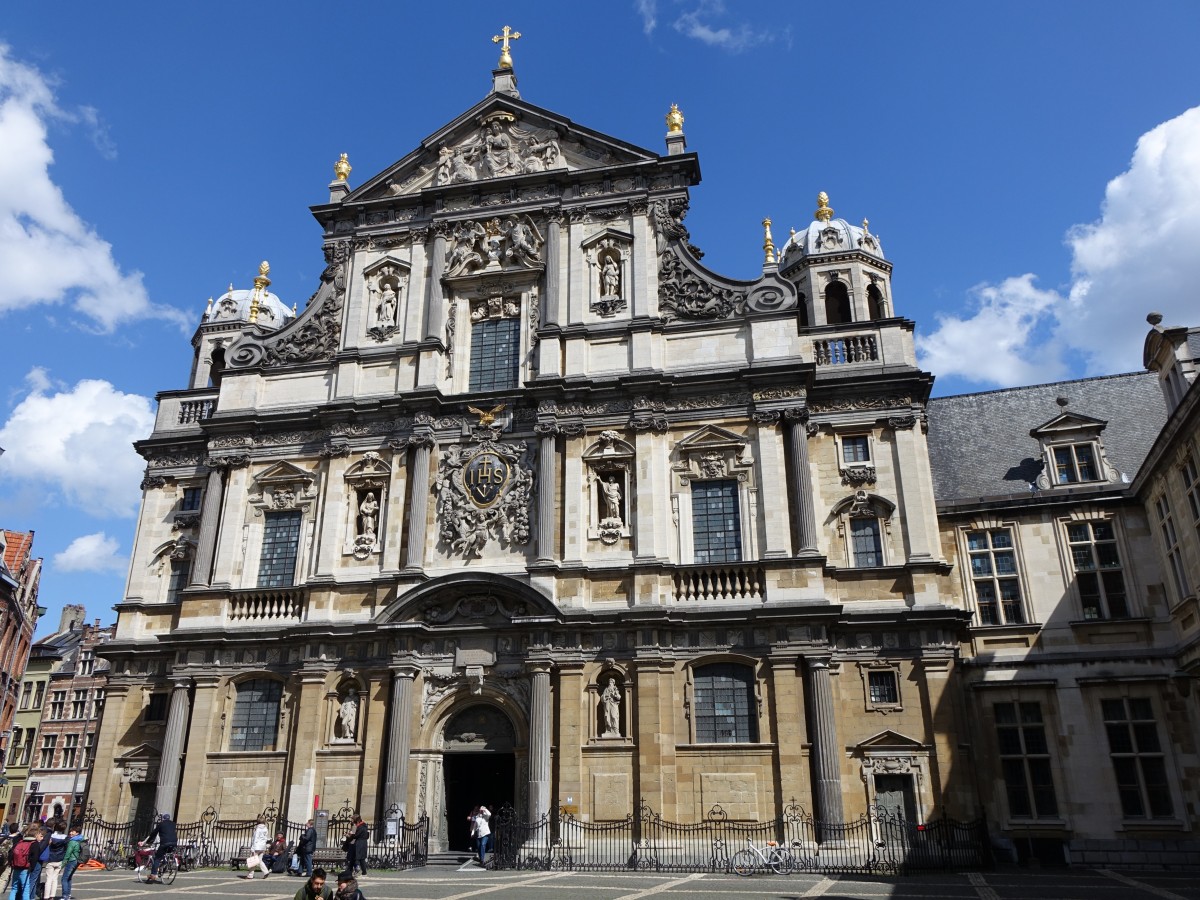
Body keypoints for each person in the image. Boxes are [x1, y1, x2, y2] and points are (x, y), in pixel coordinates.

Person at [7, 824, 41, 900]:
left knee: (14, 888)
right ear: (36, 834)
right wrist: (31, 868)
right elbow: (35, 858)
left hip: (16, 867)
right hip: (25, 868)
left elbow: (11, 853)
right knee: (25, 889)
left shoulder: (20, 841)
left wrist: (12, 864)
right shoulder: (34, 844)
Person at [143, 813, 177, 884]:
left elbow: (154, 833)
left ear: (163, 819)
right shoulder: (173, 824)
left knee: (157, 858)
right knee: (165, 854)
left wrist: (148, 842)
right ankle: (165, 865)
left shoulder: (161, 824)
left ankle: (153, 875)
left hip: (165, 843)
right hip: (174, 843)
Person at [42, 819, 68, 900]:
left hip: (50, 858)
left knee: (48, 879)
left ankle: (46, 896)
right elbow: (66, 849)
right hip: (59, 859)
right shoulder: (66, 838)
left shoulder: (51, 836)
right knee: (55, 879)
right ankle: (52, 896)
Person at [60, 828, 84, 900]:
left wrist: (62, 864)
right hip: (76, 860)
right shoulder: (80, 840)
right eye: (70, 831)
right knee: (69, 878)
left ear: (77, 833)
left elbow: (68, 854)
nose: (70, 833)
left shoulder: (72, 841)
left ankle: (65, 896)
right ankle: (68, 894)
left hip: (71, 860)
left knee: (64, 879)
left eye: (72, 832)